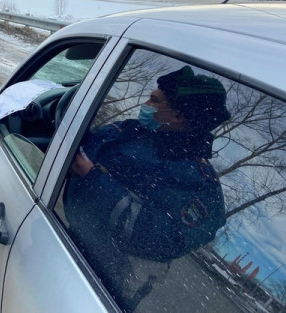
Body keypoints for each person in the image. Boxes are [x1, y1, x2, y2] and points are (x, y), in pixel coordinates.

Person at [64, 65, 231, 312]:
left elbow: (161, 239)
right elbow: (83, 145)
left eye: (155, 99)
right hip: (70, 238)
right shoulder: (135, 131)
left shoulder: (199, 183)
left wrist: (93, 178)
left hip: (107, 284)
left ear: (178, 116)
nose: (146, 103)